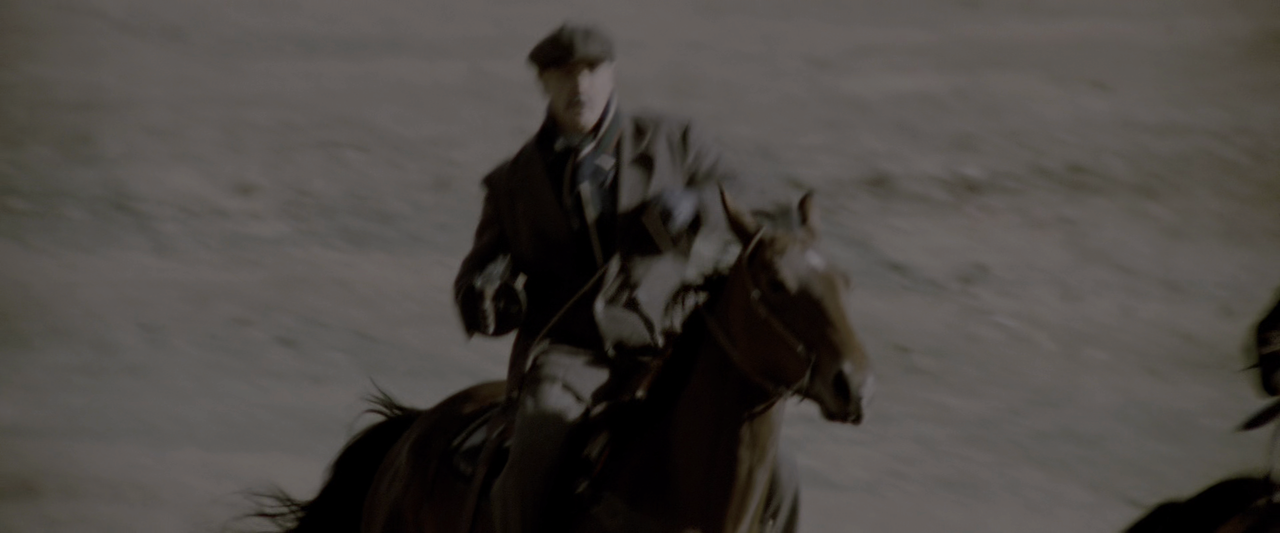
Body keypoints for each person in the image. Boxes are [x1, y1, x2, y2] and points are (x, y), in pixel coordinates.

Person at [452, 23, 784, 533]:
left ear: (612, 74)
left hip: (674, 347)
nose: (579, 85)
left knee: (777, 471)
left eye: (591, 70)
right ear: (543, 82)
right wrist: (485, 298)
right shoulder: (511, 184)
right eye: (565, 73)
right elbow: (475, 278)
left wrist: (697, 203)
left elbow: (758, 196)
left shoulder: (675, 142)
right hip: (570, 357)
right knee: (537, 441)